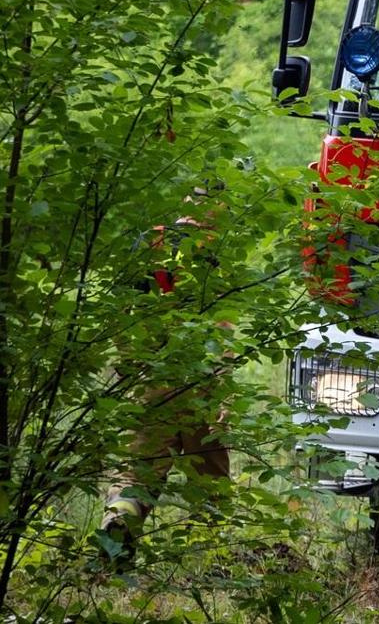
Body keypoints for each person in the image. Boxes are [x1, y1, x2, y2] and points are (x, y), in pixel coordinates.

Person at [97, 190, 232, 566]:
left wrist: (131, 367)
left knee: (137, 470)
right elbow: (220, 329)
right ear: (214, 216)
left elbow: (120, 312)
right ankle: (214, 562)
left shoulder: (147, 243)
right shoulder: (209, 256)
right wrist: (222, 393)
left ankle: (116, 533)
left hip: (150, 376)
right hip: (198, 381)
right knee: (210, 479)